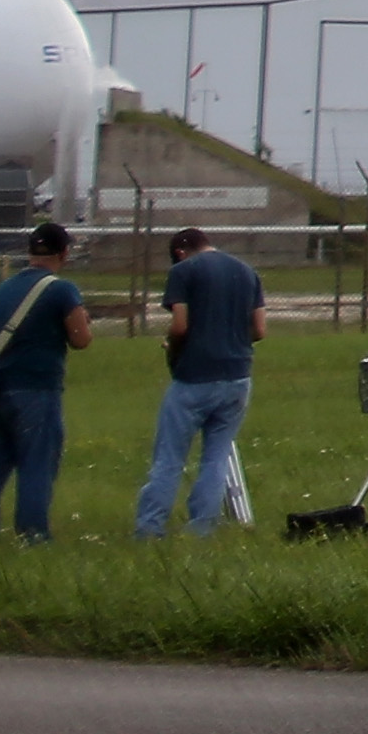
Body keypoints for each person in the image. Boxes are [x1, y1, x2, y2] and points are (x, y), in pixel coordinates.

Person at [135, 225, 270, 540]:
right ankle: (202, 528)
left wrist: (172, 346)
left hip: (194, 377)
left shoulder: (184, 271)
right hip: (238, 377)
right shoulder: (247, 272)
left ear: (180, 253)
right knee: (216, 456)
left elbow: (180, 326)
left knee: (169, 457)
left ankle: (150, 527)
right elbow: (259, 330)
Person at [0, 220, 92, 540]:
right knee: (37, 465)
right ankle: (32, 534)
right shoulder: (61, 289)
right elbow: (81, 339)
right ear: (64, 253)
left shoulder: (5, 288)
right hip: (36, 389)